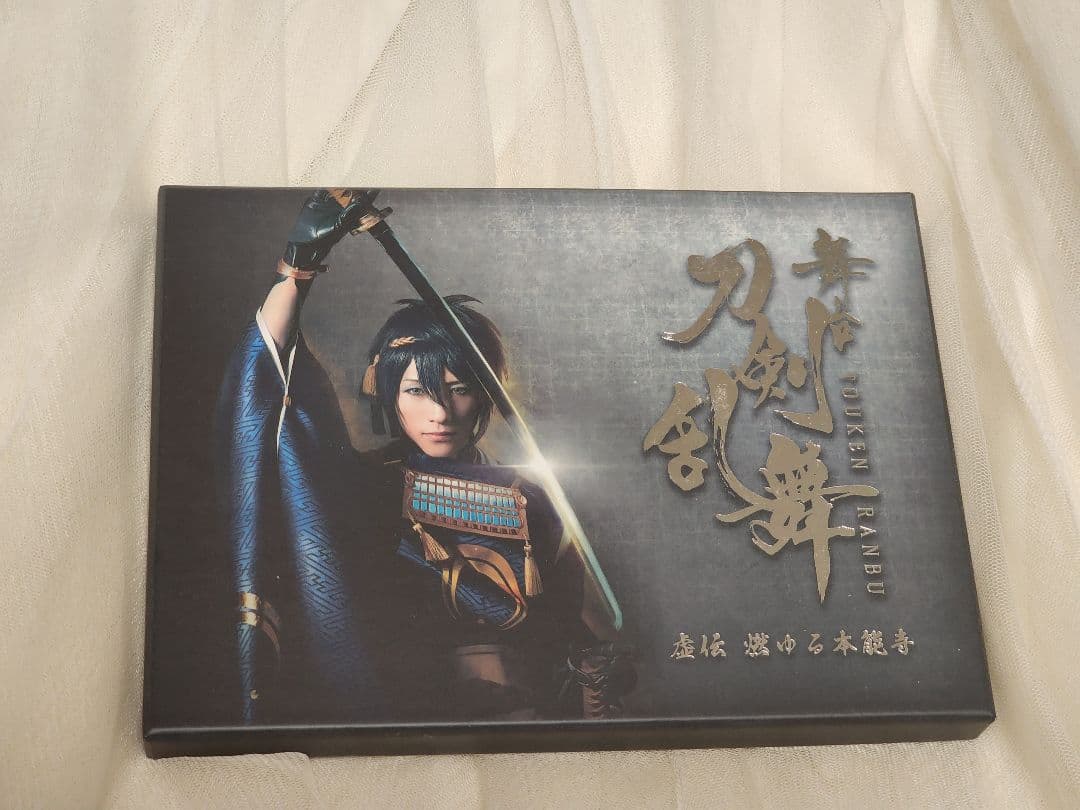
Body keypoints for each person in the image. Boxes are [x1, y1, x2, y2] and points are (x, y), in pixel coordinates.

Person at [215, 189, 632, 725]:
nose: (440, 412)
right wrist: (298, 267)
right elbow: (272, 381)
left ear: (485, 394)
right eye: (416, 391)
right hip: (409, 713)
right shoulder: (370, 484)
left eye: (459, 389)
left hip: (528, 721)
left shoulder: (531, 495)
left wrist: (594, 673)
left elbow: (576, 634)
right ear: (387, 394)